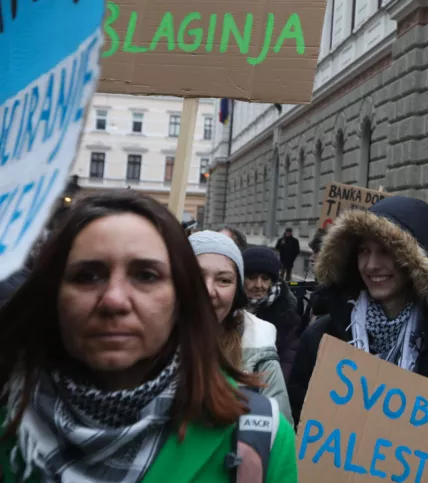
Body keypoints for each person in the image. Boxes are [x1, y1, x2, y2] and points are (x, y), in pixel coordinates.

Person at [0, 191, 297, 482]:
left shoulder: (261, 435)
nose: (114, 300)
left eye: (146, 275)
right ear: (53, 295)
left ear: (181, 298)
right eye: (88, 276)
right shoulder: (8, 422)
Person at [288, 196, 428, 423]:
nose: (371, 265)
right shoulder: (321, 338)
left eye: (386, 251)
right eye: (363, 251)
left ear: (417, 260)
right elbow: (299, 423)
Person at [190, 232, 292, 421]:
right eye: (196, 276)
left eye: (223, 280)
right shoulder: (142, 343)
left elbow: (279, 430)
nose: (208, 290)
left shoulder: (260, 347)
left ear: (236, 292)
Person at [243, 246, 302, 381]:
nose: (259, 285)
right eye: (252, 277)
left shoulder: (286, 314)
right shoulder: (227, 308)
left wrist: (272, 385)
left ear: (272, 282)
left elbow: (289, 356)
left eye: (265, 278)